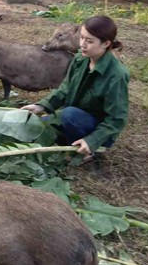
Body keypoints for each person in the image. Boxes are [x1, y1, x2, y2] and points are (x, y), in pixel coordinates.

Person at [22, 15, 130, 158]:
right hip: (74, 117)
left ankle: (88, 151)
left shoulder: (116, 75)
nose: (83, 44)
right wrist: (42, 106)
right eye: (81, 38)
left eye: (89, 41)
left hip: (96, 128)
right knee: (37, 127)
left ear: (105, 43)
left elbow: (116, 119)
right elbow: (65, 88)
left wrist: (92, 141)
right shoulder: (80, 59)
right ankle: (69, 139)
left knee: (69, 114)